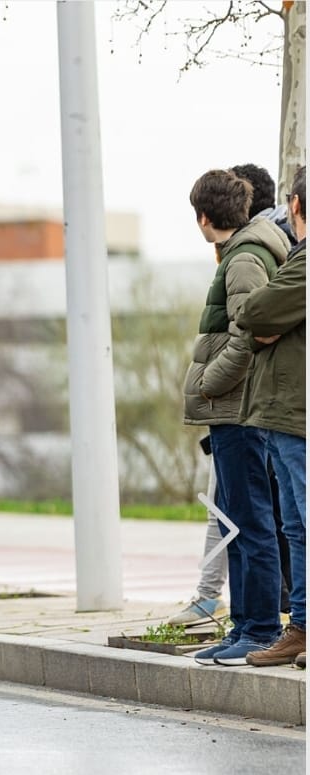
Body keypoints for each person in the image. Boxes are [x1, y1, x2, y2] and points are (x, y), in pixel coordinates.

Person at [182, 169, 290, 665]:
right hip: (235, 408)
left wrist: (210, 382)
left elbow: (251, 334)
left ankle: (261, 628)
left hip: (238, 408)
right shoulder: (242, 251)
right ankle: (245, 627)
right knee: (237, 521)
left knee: (250, 521)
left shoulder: (244, 258)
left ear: (204, 217)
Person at [244, 165, 306, 667]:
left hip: (296, 412)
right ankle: (302, 627)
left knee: (303, 524)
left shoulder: (304, 262)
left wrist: (268, 325)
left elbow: (254, 314)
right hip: (285, 414)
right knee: (295, 529)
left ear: (294, 206)